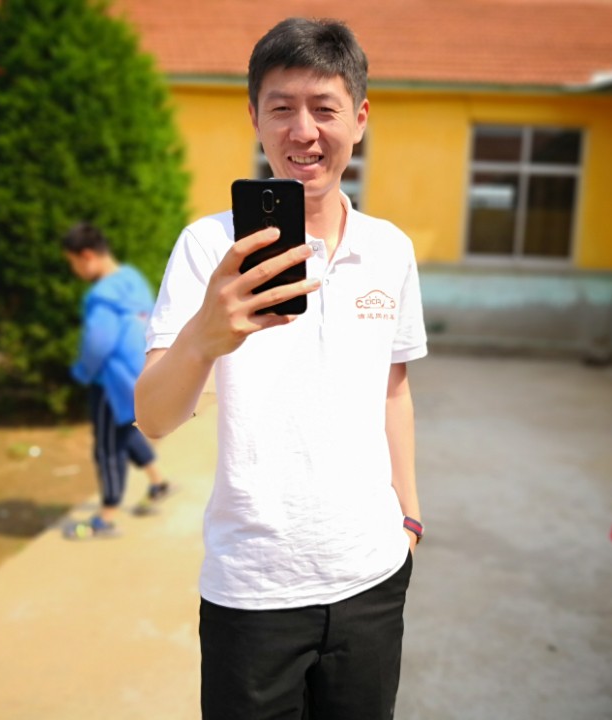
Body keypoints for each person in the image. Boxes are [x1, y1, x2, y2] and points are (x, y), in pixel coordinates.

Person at [134, 17, 427, 720]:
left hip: (372, 576)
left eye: (324, 108)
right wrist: (204, 337)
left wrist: (409, 518)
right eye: (281, 108)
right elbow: (154, 418)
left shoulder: (390, 249)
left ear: (360, 118)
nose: (304, 132)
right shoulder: (208, 247)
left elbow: (393, 389)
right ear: (254, 118)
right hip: (253, 591)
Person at [62, 222, 172, 539]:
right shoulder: (132, 279)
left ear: (86, 256)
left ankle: (106, 518)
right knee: (123, 431)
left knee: (107, 449)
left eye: (72, 263)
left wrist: (83, 371)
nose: (74, 271)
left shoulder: (102, 295)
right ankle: (158, 482)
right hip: (138, 375)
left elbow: (98, 343)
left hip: (111, 383)